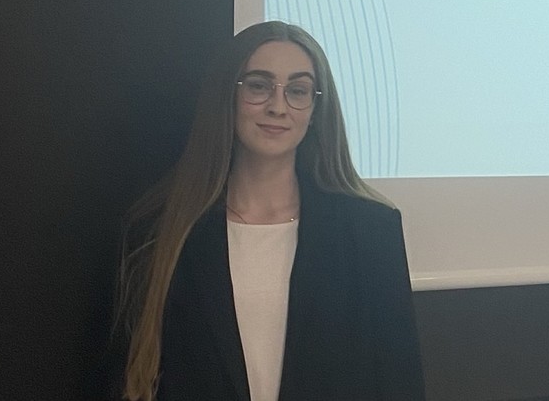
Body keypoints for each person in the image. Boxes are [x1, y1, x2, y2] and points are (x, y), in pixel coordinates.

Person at [112, 21, 425, 401]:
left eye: (298, 91)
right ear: (228, 95)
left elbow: (400, 382)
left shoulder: (371, 231)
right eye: (259, 86)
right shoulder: (160, 229)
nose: (278, 107)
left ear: (315, 109)